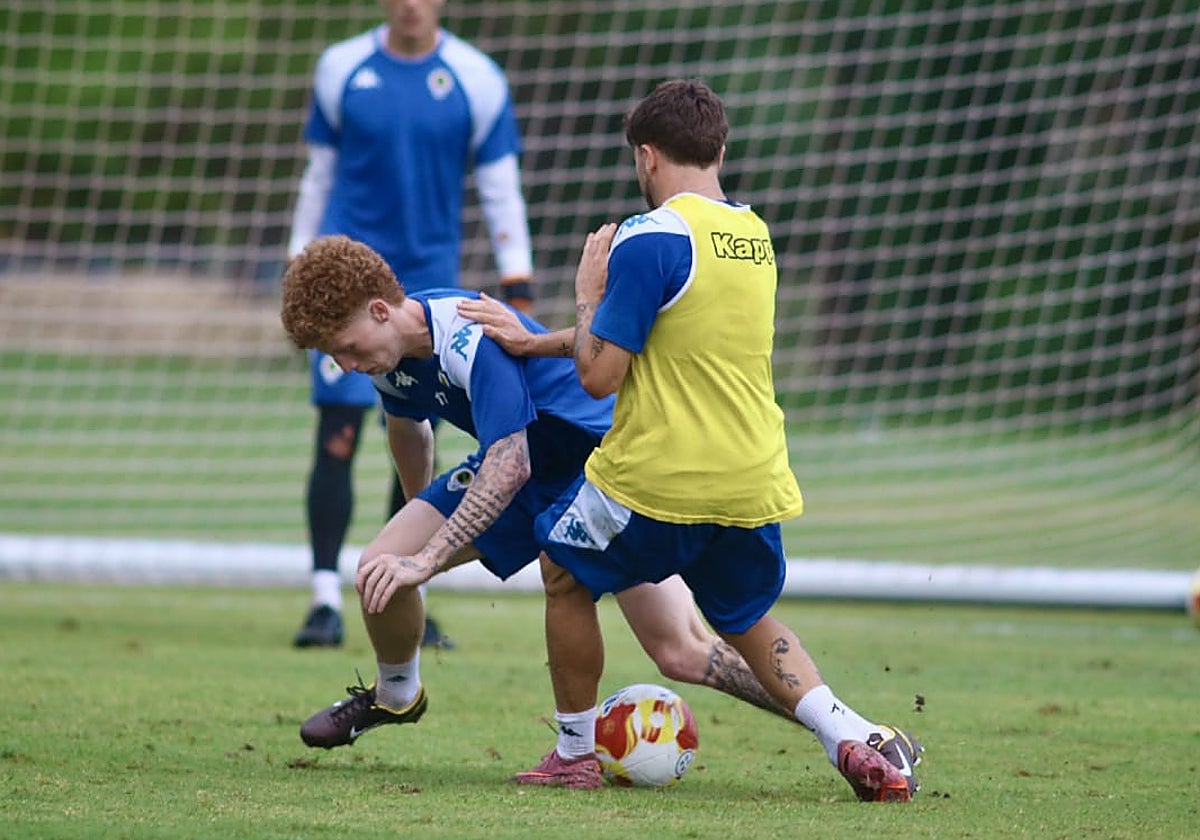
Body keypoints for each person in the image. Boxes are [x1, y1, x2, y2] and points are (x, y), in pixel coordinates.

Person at [458, 79, 924, 801]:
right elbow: (668, 339)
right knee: (743, 617)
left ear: (646, 157)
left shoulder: (649, 238)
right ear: (720, 149)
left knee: (563, 571)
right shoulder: (754, 234)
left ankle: (576, 751)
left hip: (658, 477)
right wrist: (537, 340)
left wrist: (587, 289)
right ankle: (853, 741)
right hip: (751, 477)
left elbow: (601, 376)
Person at [280, 234, 803, 790]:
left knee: (682, 653)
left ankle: (828, 722)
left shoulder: (464, 332)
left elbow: (510, 466)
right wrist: (419, 521)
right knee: (380, 564)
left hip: (600, 468)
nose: (345, 363)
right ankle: (396, 694)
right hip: (520, 463)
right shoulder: (385, 356)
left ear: (380, 310)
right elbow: (409, 429)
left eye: (346, 347)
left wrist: (429, 558)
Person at [285, 0, 534, 649]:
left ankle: (404, 586)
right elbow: (319, 176)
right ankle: (322, 600)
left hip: (416, 287)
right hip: (340, 287)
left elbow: (499, 180)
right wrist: (298, 266)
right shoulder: (341, 68)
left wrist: (518, 278)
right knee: (337, 432)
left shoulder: (476, 77)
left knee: (416, 431)